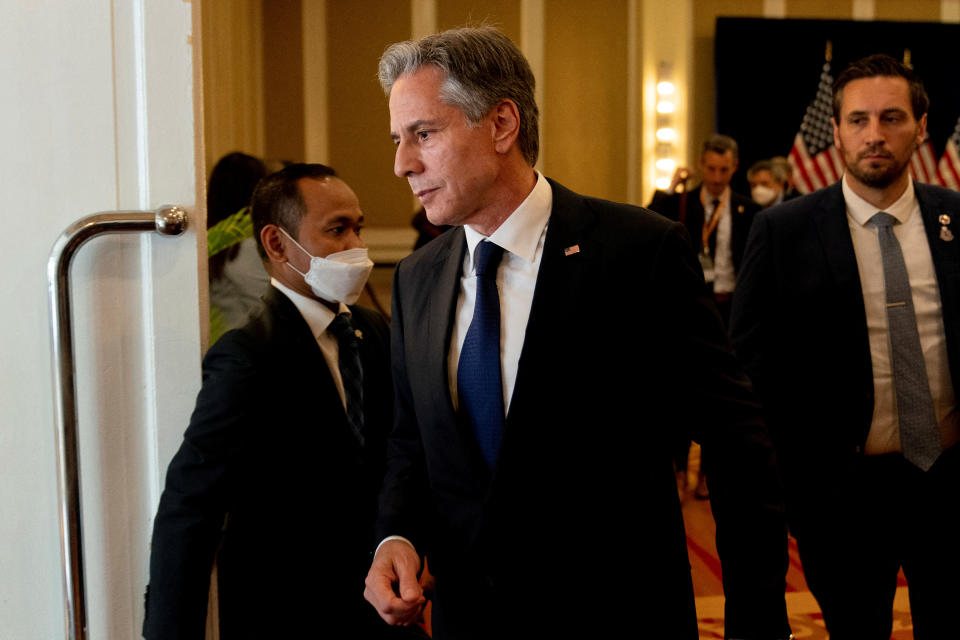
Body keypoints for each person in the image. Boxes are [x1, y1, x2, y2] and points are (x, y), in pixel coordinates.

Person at [363, 26, 790, 640]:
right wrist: (394, 535)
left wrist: (758, 619)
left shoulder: (638, 252)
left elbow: (738, 445)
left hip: (616, 614)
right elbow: (411, 443)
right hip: (470, 621)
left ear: (502, 124)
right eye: (399, 139)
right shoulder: (416, 279)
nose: (402, 163)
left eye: (423, 134)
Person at [730, 54, 960, 639]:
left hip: (953, 487)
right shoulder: (781, 233)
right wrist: (782, 487)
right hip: (841, 498)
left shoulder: (959, 221)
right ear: (834, 132)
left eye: (891, 117)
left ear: (922, 126)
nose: (874, 136)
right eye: (858, 120)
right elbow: (750, 371)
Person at [144, 164, 402, 638]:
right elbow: (191, 505)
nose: (356, 247)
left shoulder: (373, 331)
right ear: (277, 244)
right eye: (337, 230)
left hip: (378, 609)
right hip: (287, 611)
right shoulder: (248, 355)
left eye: (358, 228)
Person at [647, 134, 761, 325]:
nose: (717, 178)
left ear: (735, 167)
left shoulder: (748, 209)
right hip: (694, 300)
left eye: (724, 170)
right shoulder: (684, 202)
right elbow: (651, 218)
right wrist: (672, 186)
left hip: (732, 301)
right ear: (701, 164)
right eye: (711, 169)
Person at [206, 152, 271, 338]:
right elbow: (267, 305)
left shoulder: (213, 239)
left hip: (218, 342)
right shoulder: (246, 246)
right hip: (247, 348)